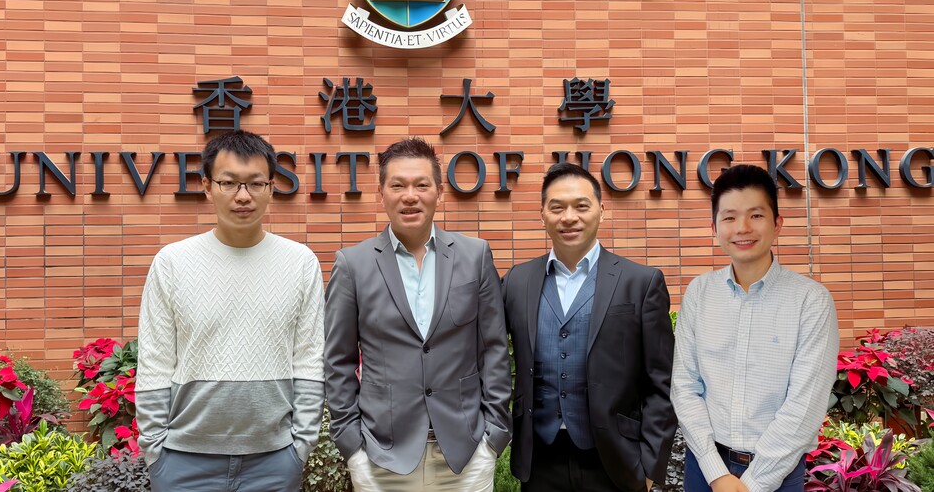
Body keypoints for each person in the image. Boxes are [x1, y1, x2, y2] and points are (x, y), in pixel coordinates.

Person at [135, 130, 325, 492]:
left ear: (272, 187)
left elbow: (309, 359)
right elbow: (155, 361)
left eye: (255, 183)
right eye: (229, 183)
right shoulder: (172, 263)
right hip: (182, 462)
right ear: (207, 186)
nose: (243, 195)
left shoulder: (300, 263)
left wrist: (300, 447)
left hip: (274, 461)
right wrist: (156, 451)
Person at [324, 137, 511, 492]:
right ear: (381, 192)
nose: (410, 196)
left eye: (421, 185)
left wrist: (493, 439)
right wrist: (352, 449)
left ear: (439, 191)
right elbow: (338, 362)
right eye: (398, 185)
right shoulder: (354, 264)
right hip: (383, 456)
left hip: (466, 454)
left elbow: (494, 350)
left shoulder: (474, 255)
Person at [503, 162, 677, 492]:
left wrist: (651, 465)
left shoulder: (640, 282)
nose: (569, 217)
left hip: (616, 461)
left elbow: (663, 383)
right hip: (540, 460)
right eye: (557, 207)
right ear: (542, 215)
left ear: (601, 209)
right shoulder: (516, 281)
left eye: (581, 206)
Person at [671, 164, 839, 492]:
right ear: (714, 227)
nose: (742, 228)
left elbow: (804, 404)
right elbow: (685, 385)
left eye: (756, 215)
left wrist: (754, 483)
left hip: (778, 472)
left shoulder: (810, 300)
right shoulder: (699, 292)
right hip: (706, 468)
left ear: (777, 224)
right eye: (730, 217)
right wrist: (715, 472)